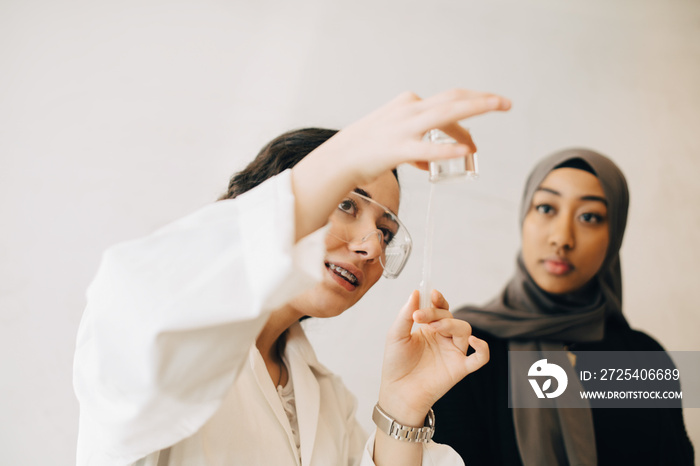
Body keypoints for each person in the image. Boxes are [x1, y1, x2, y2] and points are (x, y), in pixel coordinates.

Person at [73, 90, 511, 466]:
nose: (371, 246)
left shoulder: (327, 399)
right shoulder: (156, 324)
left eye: (386, 232)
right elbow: (142, 293)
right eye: (347, 204)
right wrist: (351, 152)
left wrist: (403, 405)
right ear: (272, 197)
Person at [432, 149, 695, 465]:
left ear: (614, 236)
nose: (562, 238)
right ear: (524, 217)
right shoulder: (466, 349)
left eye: (589, 217)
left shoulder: (642, 358)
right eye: (545, 208)